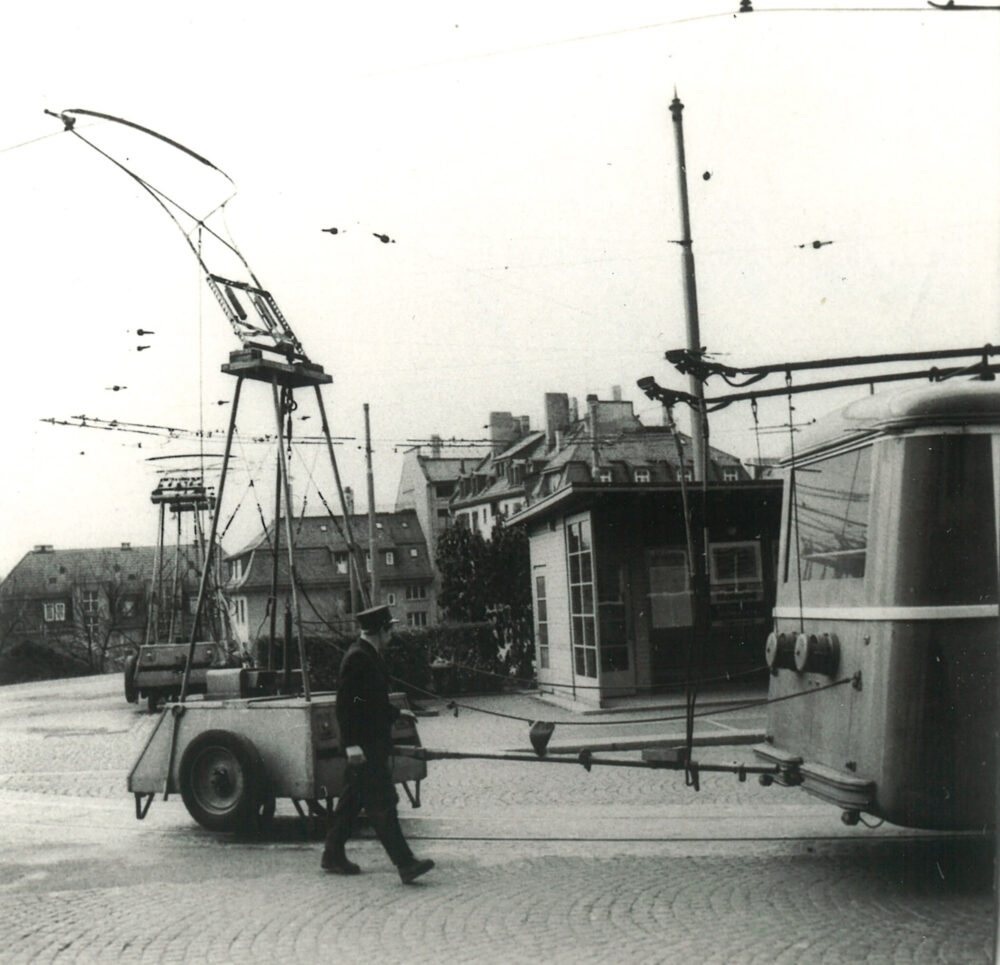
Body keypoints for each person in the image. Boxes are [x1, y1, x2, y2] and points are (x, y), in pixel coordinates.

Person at [322, 604, 435, 884]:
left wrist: (397, 712)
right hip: (365, 747)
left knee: (351, 801)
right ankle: (405, 864)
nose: (393, 634)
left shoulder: (367, 655)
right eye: (390, 629)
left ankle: (332, 854)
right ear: (380, 631)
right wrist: (351, 745)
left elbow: (368, 702)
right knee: (383, 804)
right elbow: (347, 706)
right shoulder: (358, 658)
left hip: (370, 744)